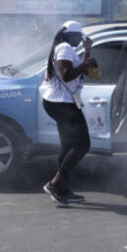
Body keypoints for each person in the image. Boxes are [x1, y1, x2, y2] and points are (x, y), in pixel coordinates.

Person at [41, 20, 97, 205]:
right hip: (62, 104)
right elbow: (66, 73)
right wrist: (86, 62)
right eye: (78, 37)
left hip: (60, 102)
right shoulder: (64, 47)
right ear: (70, 35)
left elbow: (77, 70)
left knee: (67, 146)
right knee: (82, 145)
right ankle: (55, 184)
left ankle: (62, 187)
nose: (80, 41)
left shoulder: (63, 46)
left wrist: (87, 53)